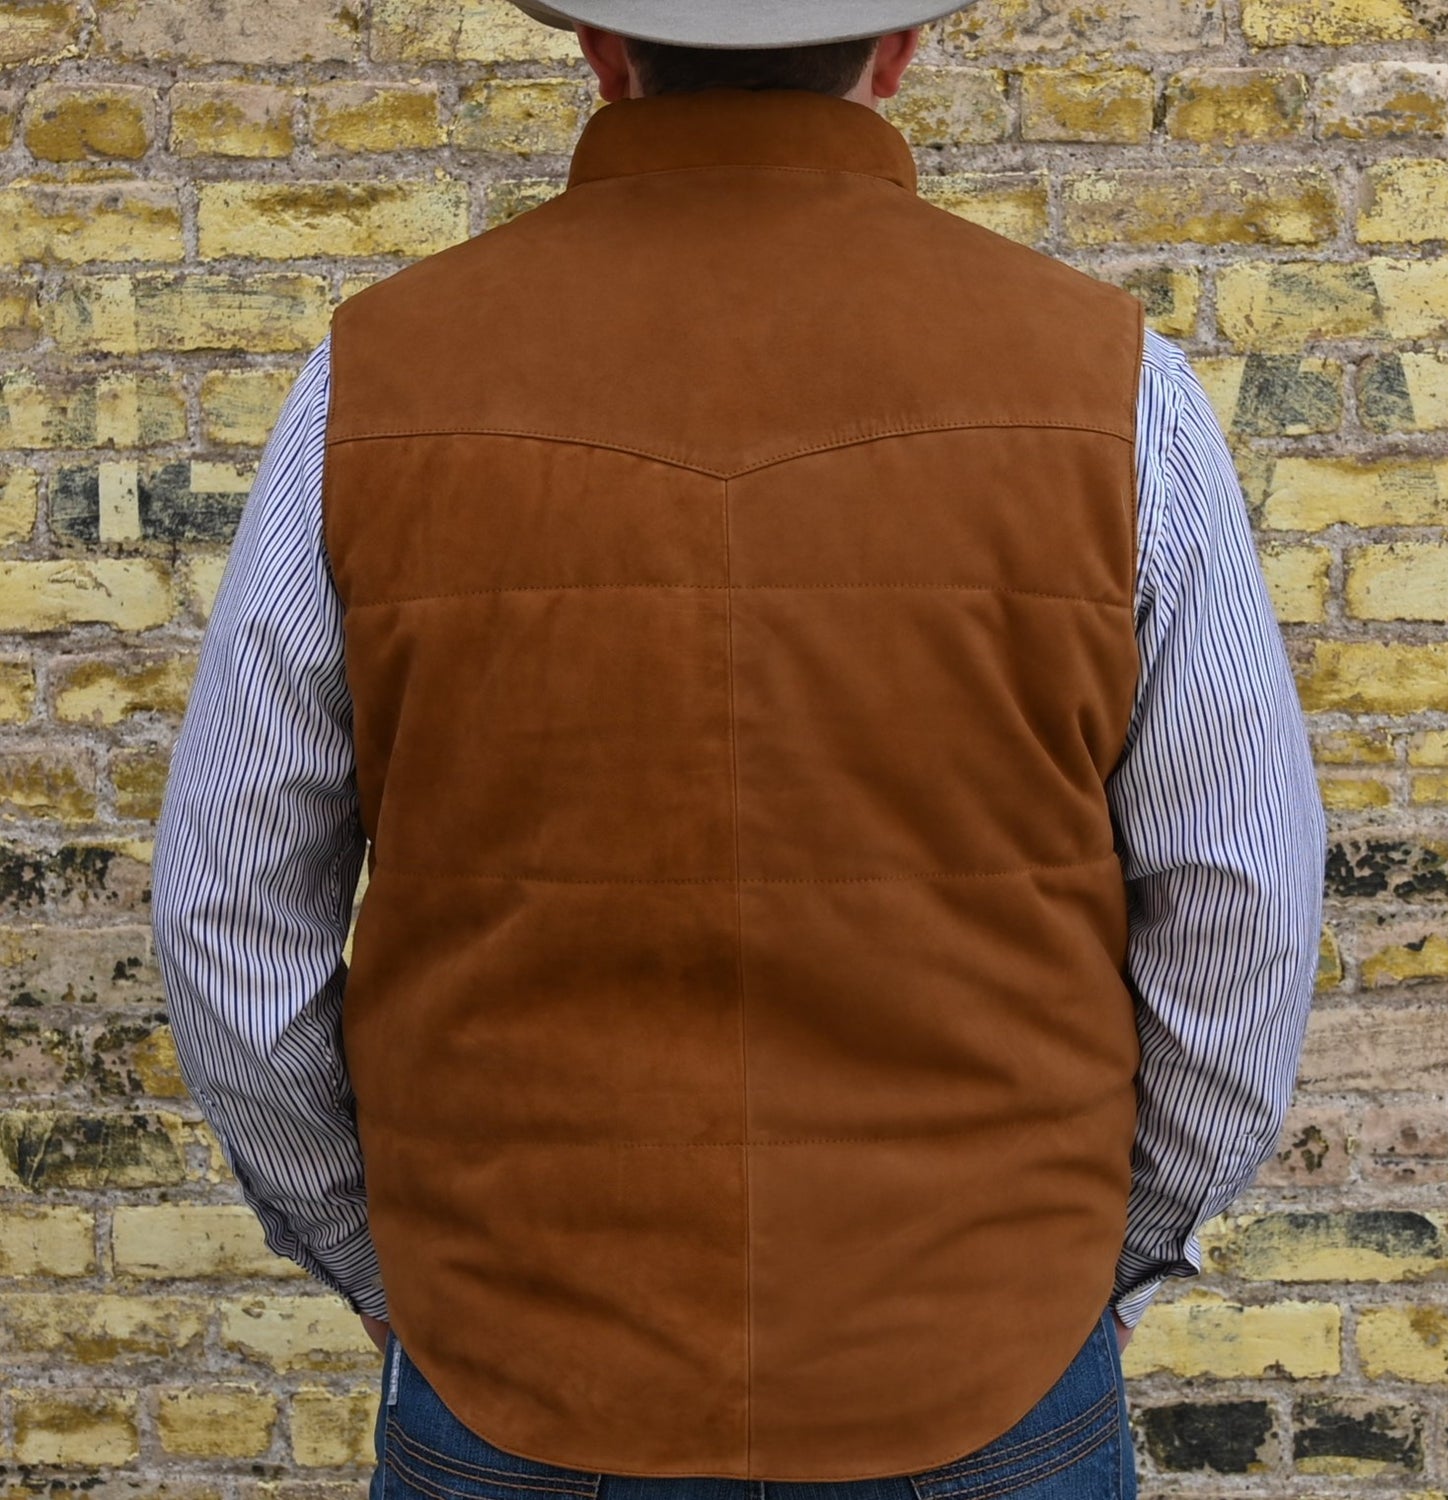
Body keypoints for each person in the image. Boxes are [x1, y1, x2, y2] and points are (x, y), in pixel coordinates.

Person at [150, 5, 1327, 1499]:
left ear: (597, 49)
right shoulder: (1117, 395)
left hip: (521, 1368)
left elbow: (226, 915)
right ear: (898, 50)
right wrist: (1098, 1261)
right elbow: (1246, 911)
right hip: (981, 1368)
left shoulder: (371, 387)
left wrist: (380, 1260)